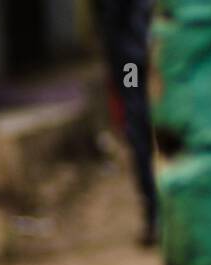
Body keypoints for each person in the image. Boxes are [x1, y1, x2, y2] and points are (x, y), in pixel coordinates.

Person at [93, 0, 158, 245]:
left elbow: (111, 23)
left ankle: (155, 214)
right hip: (153, 59)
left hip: (133, 62)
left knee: (141, 134)